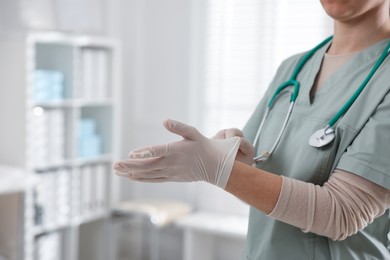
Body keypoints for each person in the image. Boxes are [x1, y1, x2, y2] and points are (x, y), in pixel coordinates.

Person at [114, 0, 390, 259]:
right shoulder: (294, 68)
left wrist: (221, 170)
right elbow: (258, 175)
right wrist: (236, 159)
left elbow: (343, 213)